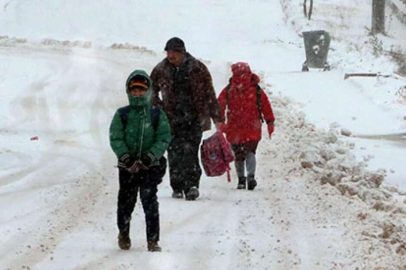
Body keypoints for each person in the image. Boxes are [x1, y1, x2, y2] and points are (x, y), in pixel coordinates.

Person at [150, 37, 223, 201]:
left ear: (182, 52)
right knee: (174, 152)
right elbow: (150, 91)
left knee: (190, 153)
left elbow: (209, 94)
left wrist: (217, 117)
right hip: (170, 120)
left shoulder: (198, 68)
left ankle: (192, 186)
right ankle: (177, 186)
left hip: (194, 118)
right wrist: (158, 108)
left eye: (173, 52)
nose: (170, 56)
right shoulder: (161, 69)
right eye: (168, 52)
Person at [109, 70, 171, 252]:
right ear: (129, 91)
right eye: (134, 90)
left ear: (149, 91)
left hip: (149, 167)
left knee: (149, 201)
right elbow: (116, 137)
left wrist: (150, 156)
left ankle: (153, 240)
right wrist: (126, 158)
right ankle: (123, 233)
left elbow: (164, 137)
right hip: (127, 167)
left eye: (141, 90)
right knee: (125, 202)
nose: (137, 93)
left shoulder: (156, 114)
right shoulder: (122, 114)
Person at [217, 62, 275, 190]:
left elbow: (219, 105)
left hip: (234, 127)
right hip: (252, 127)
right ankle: (251, 176)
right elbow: (266, 106)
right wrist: (270, 121)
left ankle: (241, 180)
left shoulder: (229, 89)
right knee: (250, 152)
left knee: (238, 155)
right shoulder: (256, 90)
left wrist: (220, 121)